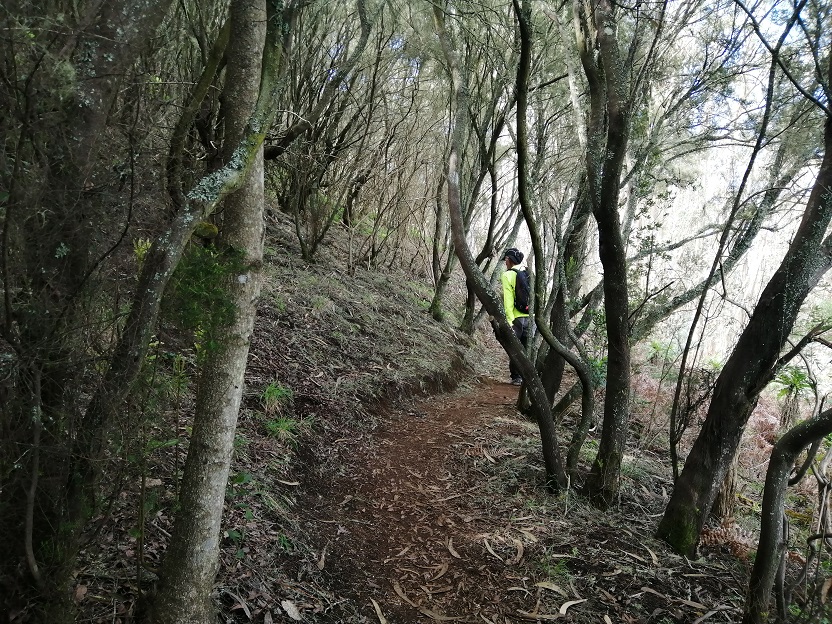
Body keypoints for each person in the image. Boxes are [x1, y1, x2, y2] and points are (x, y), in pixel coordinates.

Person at [501, 248, 529, 385]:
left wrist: (509, 321)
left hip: (516, 317)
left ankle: (516, 377)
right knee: (527, 348)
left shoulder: (508, 275)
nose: (505, 262)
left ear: (509, 260)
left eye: (506, 259)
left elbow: (508, 301)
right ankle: (527, 376)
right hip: (531, 316)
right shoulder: (528, 272)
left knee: (515, 348)